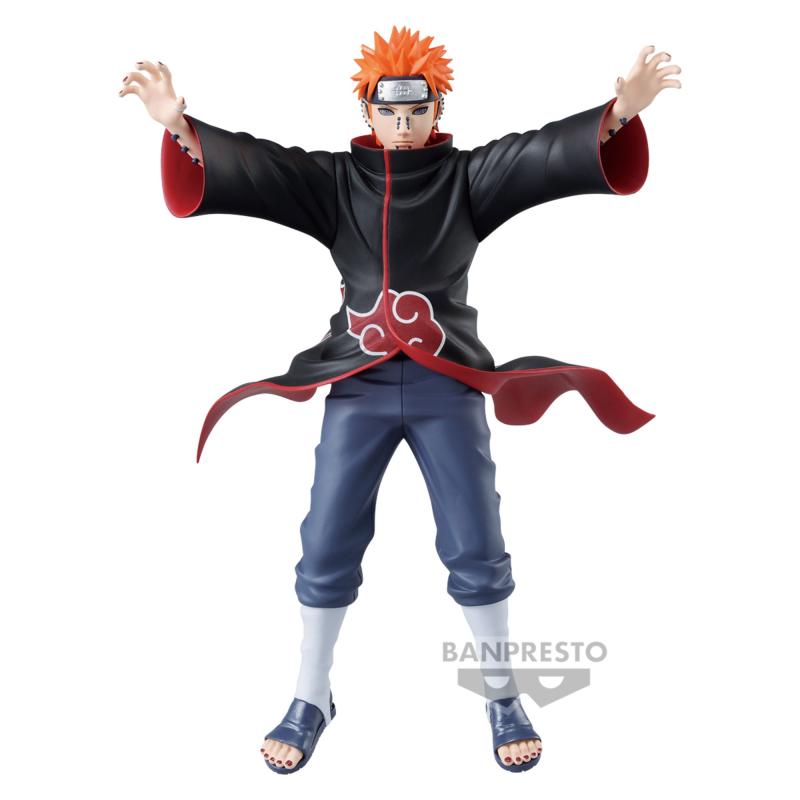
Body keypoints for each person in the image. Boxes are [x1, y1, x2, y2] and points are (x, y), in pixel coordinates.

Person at [119, 25, 681, 773]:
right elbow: (259, 167)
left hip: (449, 384)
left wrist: (617, 114)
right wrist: (181, 128)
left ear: (437, 108)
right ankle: (310, 695)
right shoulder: (333, 182)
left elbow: (541, 155)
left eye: (418, 108)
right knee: (326, 540)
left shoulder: (468, 178)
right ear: (368, 110)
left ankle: (502, 693)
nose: (404, 123)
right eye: (389, 109)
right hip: (359, 383)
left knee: (476, 541)